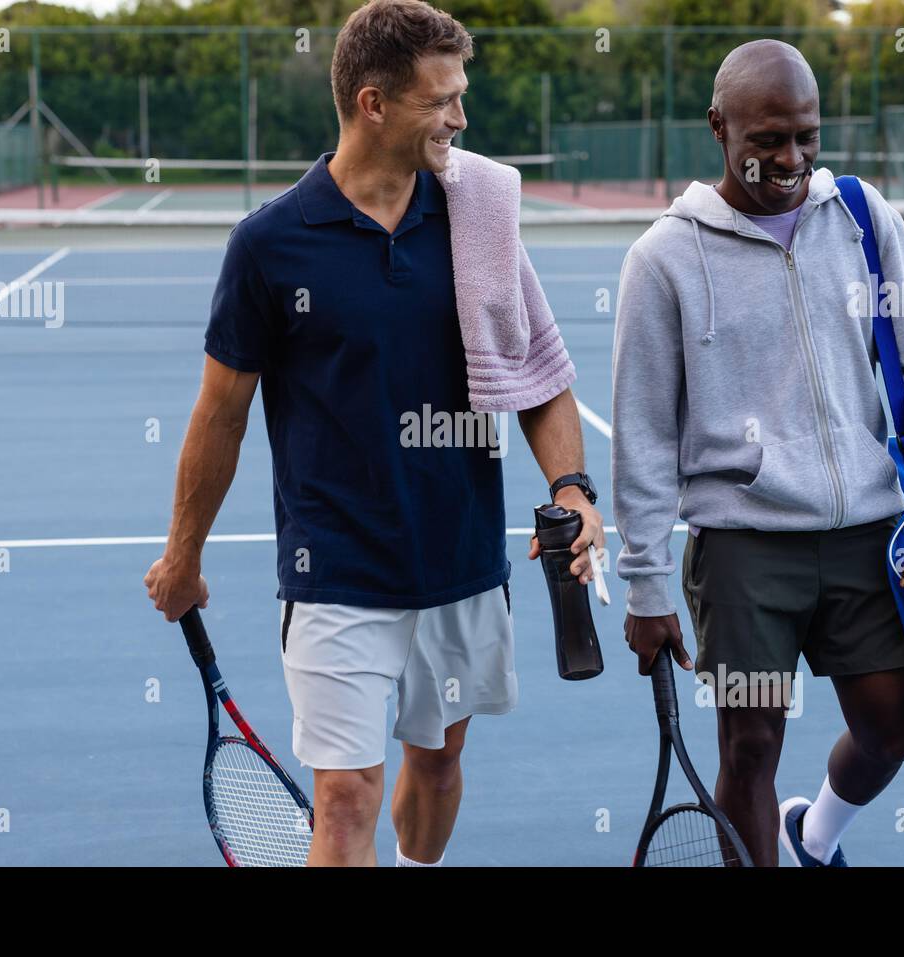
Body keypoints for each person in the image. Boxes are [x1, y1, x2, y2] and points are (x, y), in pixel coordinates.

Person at [144, 0, 603, 867]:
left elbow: (541, 377)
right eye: (442, 101)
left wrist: (573, 490)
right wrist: (184, 555)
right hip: (335, 571)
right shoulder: (270, 245)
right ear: (374, 103)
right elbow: (221, 415)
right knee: (346, 795)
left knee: (436, 764)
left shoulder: (481, 217)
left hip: (461, 561)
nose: (461, 118)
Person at [611, 39, 904, 867]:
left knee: (890, 725)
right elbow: (641, 435)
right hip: (743, 552)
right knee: (748, 748)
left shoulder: (863, 216)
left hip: (864, 535)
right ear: (719, 126)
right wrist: (645, 579)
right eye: (768, 138)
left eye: (807, 135)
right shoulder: (661, 258)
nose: (791, 158)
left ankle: (811, 835)